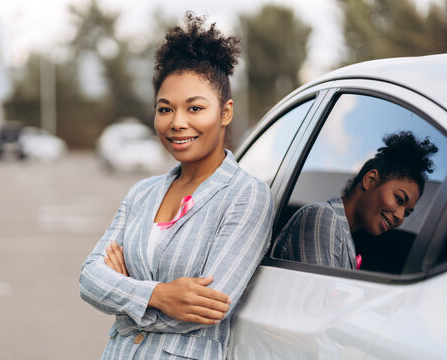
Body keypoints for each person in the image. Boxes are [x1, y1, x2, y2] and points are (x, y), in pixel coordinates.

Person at [79, 13, 274, 359]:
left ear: (225, 112)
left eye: (195, 108)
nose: (177, 123)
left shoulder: (246, 196)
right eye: (165, 109)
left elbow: (208, 310)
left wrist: (124, 295)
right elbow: (90, 278)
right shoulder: (142, 193)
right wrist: (159, 296)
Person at [271, 131, 438, 270]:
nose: (400, 218)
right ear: (370, 180)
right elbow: (320, 306)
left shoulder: (344, 238)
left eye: (407, 213)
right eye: (399, 200)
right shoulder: (322, 218)